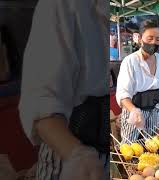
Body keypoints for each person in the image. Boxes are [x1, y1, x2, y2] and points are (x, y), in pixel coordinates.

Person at [19, 0, 108, 179]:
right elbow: (41, 102)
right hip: (70, 156)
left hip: (105, 155)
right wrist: (77, 155)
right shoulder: (60, 5)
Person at [116, 19, 159, 143]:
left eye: (158, 39)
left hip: (154, 109)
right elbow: (123, 94)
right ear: (140, 38)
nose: (154, 42)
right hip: (134, 110)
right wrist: (134, 110)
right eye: (150, 38)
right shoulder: (130, 61)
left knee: (152, 143)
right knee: (129, 145)